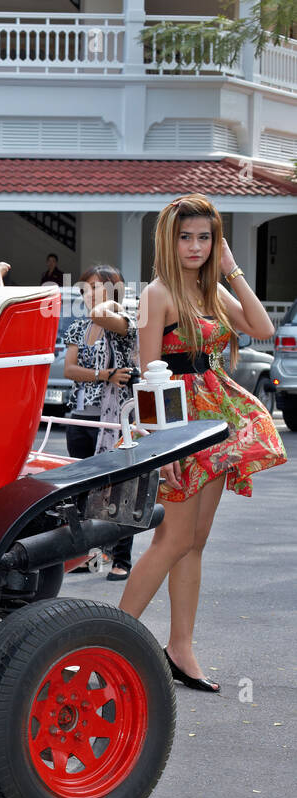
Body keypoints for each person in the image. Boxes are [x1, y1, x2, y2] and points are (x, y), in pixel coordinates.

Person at [118, 194, 286, 692]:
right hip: (180, 423)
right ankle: (107, 640)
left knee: (194, 543)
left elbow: (261, 328)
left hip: (216, 420)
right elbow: (148, 375)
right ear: (169, 241)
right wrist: (159, 446)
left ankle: (181, 648)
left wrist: (232, 271)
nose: (195, 246)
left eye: (205, 237)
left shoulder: (210, 287)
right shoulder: (159, 293)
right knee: (171, 540)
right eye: (186, 237)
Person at [62, 264, 139, 580]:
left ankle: (121, 558)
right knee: (81, 491)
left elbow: (102, 314)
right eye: (85, 289)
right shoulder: (79, 328)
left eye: (95, 287)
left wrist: (113, 300)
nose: (88, 294)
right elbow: (69, 370)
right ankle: (85, 554)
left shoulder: (124, 322)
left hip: (116, 418)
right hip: (81, 417)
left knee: (121, 489)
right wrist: (104, 375)